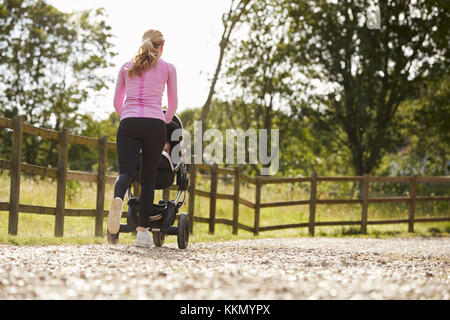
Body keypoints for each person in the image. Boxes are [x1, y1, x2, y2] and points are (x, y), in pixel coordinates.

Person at [107, 29, 178, 248]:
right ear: (161, 46)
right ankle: (142, 234)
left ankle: (118, 197)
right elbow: (173, 104)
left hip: (128, 122)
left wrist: (126, 117)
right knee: (148, 179)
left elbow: (117, 102)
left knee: (126, 172)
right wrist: (163, 120)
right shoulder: (168, 68)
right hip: (154, 124)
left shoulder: (127, 67)